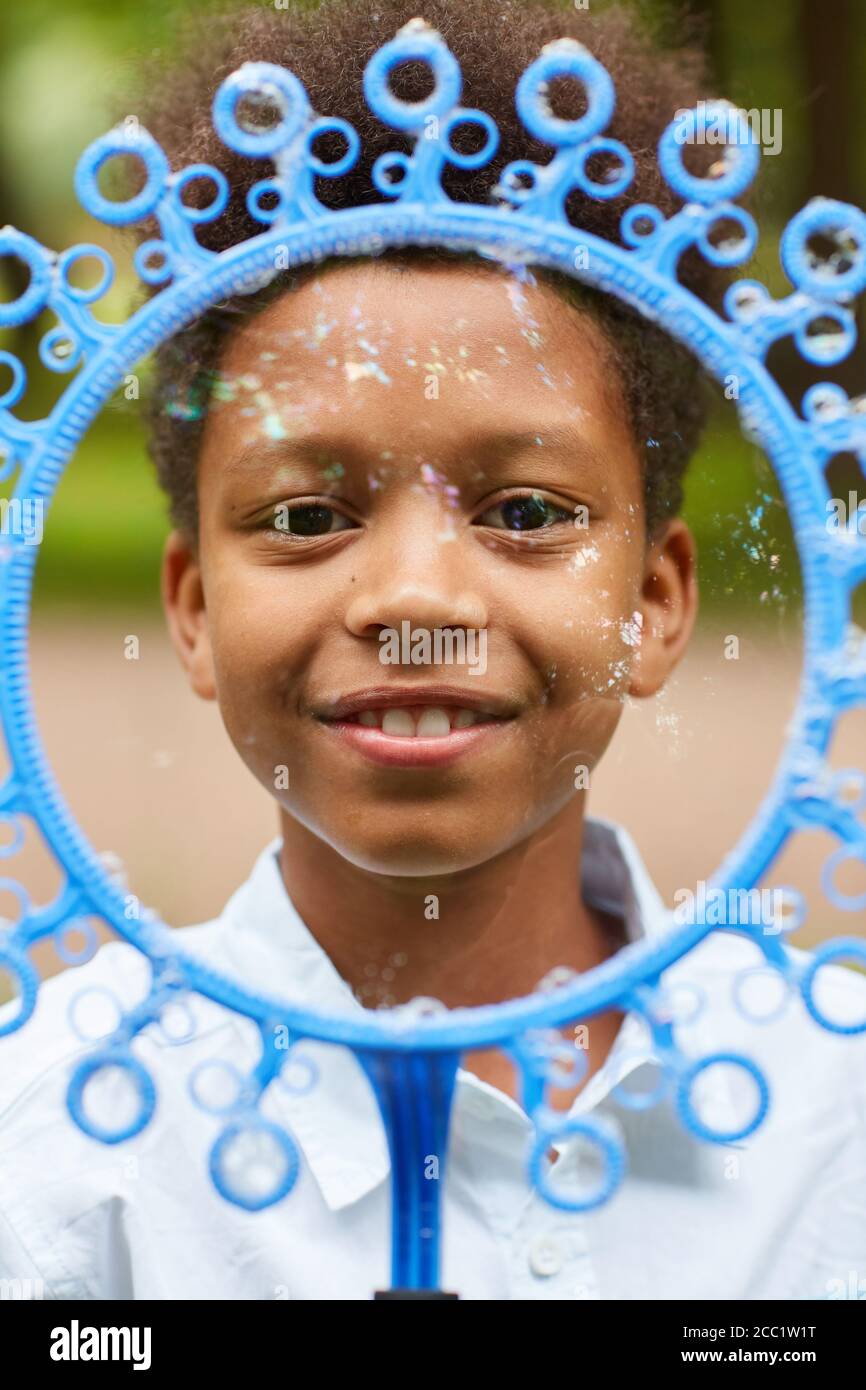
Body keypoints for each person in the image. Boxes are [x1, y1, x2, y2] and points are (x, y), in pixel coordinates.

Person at [0, 0, 864, 1301]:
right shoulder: (48, 1149)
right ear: (191, 607)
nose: (412, 599)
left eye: (525, 513)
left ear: (657, 598)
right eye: (305, 516)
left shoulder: (830, 1120)